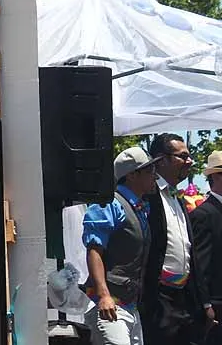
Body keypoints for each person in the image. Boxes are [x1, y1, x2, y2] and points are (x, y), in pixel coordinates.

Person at [81, 146, 158, 345]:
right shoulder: (109, 204)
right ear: (132, 175)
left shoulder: (140, 208)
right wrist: (103, 295)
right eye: (149, 170)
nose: (155, 176)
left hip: (129, 306)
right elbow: (94, 250)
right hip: (109, 304)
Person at [140, 133, 212, 344]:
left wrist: (205, 303)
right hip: (158, 298)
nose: (190, 161)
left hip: (184, 298)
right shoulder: (147, 195)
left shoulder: (178, 197)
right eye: (183, 156)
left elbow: (191, 252)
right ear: (161, 160)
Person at [190, 150, 222, 343]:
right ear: (216, 176)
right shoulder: (204, 215)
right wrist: (206, 304)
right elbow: (200, 265)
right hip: (217, 306)